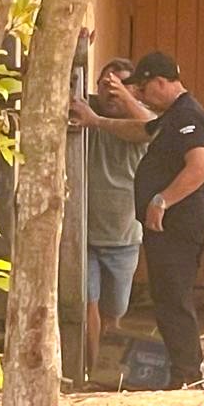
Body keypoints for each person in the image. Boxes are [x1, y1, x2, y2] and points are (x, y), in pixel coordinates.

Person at [71, 51, 204, 389]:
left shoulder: (188, 114)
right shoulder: (171, 116)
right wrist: (97, 121)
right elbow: (141, 129)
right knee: (166, 298)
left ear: (160, 82)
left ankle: (187, 373)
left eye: (144, 90)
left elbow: (200, 166)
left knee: (174, 298)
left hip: (179, 223)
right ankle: (182, 370)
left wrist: (163, 200)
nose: (142, 97)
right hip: (166, 227)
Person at [82, 58, 150, 374]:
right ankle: (91, 370)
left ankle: (106, 373)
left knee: (114, 313)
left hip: (125, 236)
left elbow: (151, 129)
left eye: (123, 83)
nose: (112, 91)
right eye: (106, 84)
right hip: (85, 236)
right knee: (88, 306)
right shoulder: (86, 116)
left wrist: (123, 97)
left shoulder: (141, 122)